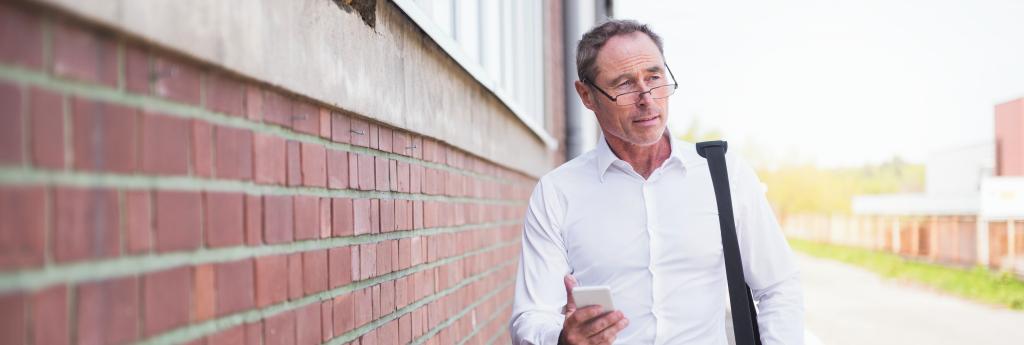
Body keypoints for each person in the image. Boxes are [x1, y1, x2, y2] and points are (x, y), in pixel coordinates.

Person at [509, 20, 804, 345]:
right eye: (624, 84)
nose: (647, 98)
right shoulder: (557, 193)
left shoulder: (724, 174)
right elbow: (531, 317)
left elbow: (779, 286)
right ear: (587, 95)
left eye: (654, 77)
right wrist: (561, 339)